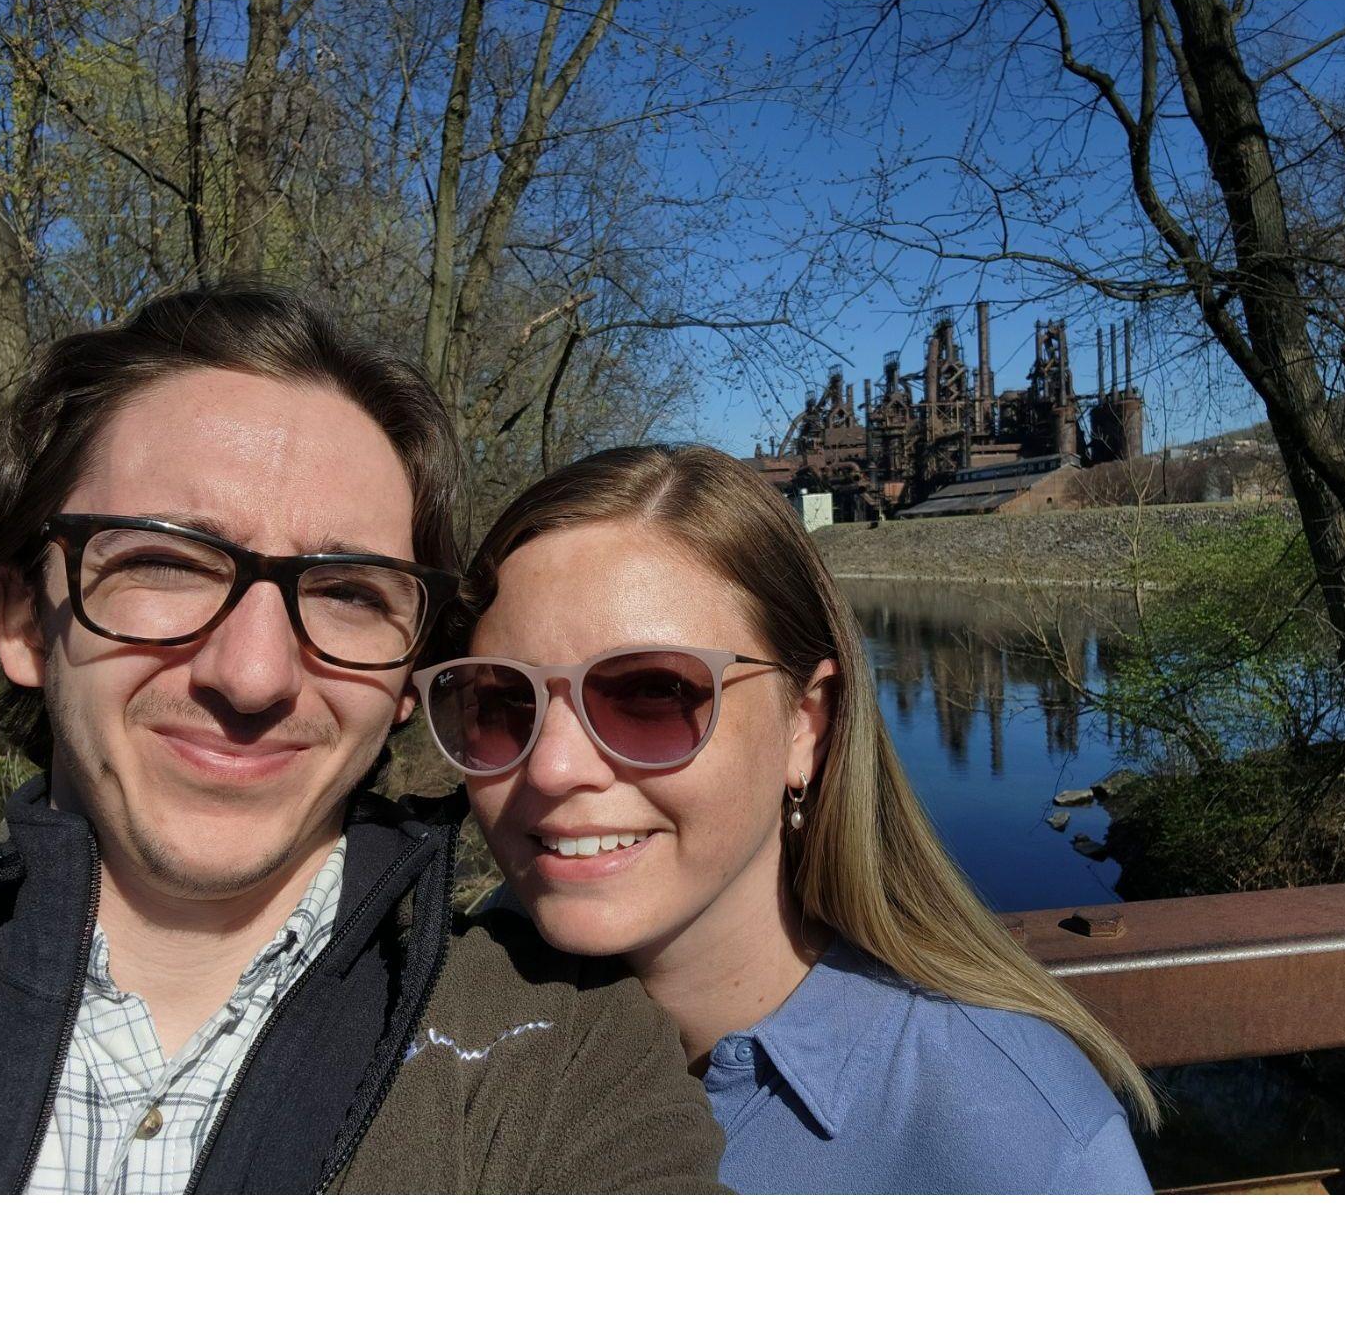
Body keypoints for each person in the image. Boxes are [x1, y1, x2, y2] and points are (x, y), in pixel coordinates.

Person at [0, 287, 723, 1195]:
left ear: (408, 679)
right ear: (24, 624)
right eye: (163, 562)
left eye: (350, 594)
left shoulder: (556, 1061)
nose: (253, 676)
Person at [418, 443, 1159, 1193]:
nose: (553, 767)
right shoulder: (427, 1027)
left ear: (805, 724)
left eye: (649, 693)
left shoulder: (1016, 1147)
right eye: (501, 701)